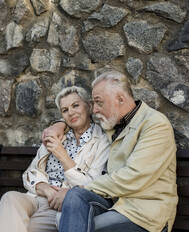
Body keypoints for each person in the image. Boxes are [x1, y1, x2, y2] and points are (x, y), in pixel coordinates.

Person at [43, 71, 178, 232]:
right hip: (115, 205)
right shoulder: (112, 122)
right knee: (75, 197)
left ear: (120, 99)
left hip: (144, 215)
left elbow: (133, 177)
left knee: (72, 219)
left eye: (99, 103)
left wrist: (85, 188)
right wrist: (59, 124)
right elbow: (79, 119)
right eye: (94, 103)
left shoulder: (155, 124)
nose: (95, 110)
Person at [0, 86, 110, 232]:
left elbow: (91, 185)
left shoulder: (102, 141)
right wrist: (45, 189)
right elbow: (29, 174)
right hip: (38, 196)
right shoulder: (56, 135)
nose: (70, 112)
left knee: (30, 227)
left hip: (63, 204)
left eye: (75, 105)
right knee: (10, 198)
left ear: (89, 106)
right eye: (65, 110)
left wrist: (62, 155)